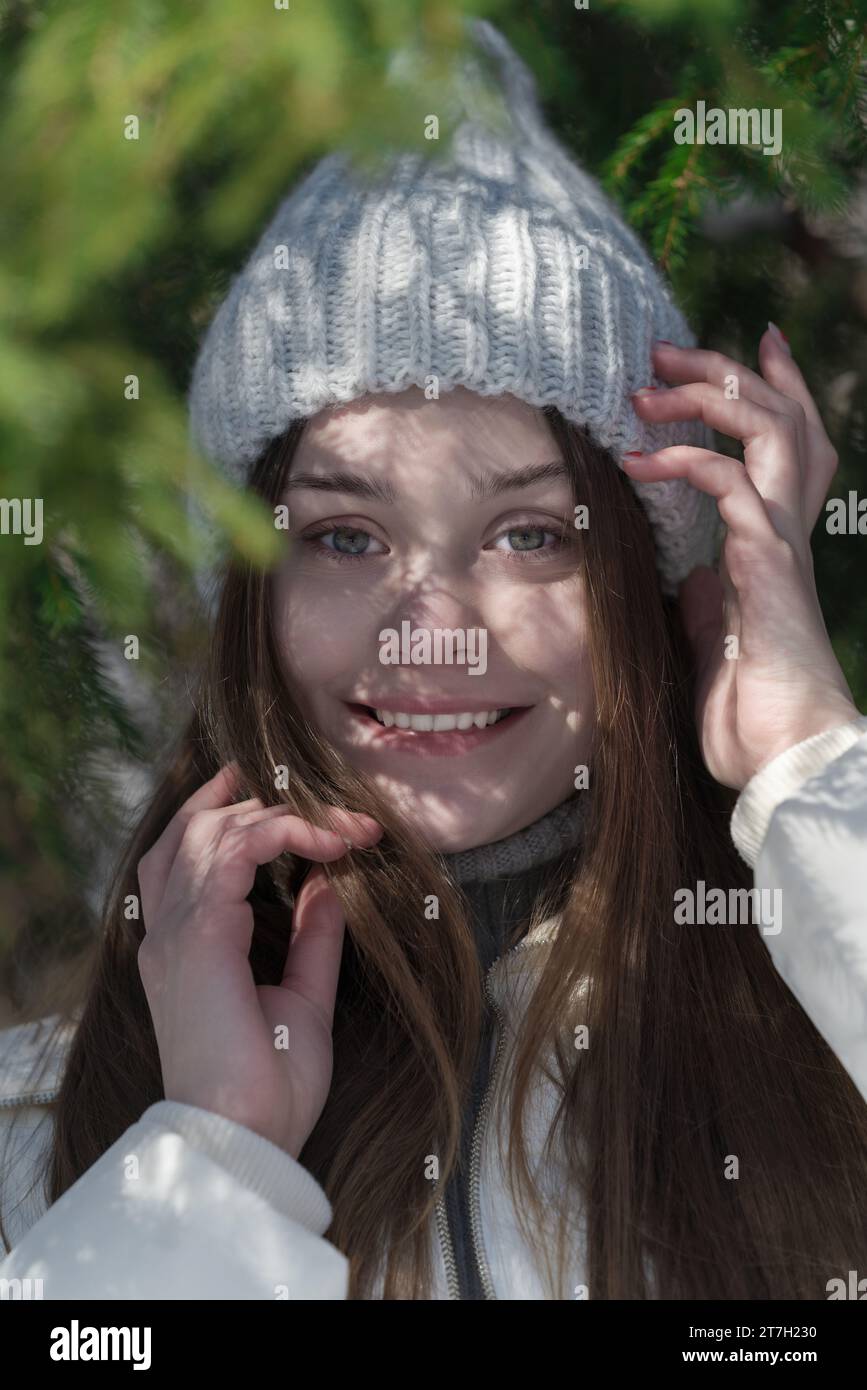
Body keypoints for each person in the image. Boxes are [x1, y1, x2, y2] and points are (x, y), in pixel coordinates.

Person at [1, 17, 866, 1301]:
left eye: (528, 533)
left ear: (641, 579)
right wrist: (215, 1159)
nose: (433, 628)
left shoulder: (818, 1023)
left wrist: (812, 771)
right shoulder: (40, 1129)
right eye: (346, 534)